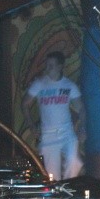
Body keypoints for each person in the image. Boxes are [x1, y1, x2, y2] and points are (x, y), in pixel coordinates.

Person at [21, 50, 86, 181]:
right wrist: (31, 125)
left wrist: (82, 128)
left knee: (74, 161)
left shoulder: (69, 85)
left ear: (60, 67)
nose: (47, 68)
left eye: (51, 66)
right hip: (48, 134)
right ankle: (56, 190)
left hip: (67, 131)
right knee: (52, 174)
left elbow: (81, 109)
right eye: (47, 65)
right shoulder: (39, 84)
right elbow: (25, 104)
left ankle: (68, 185)